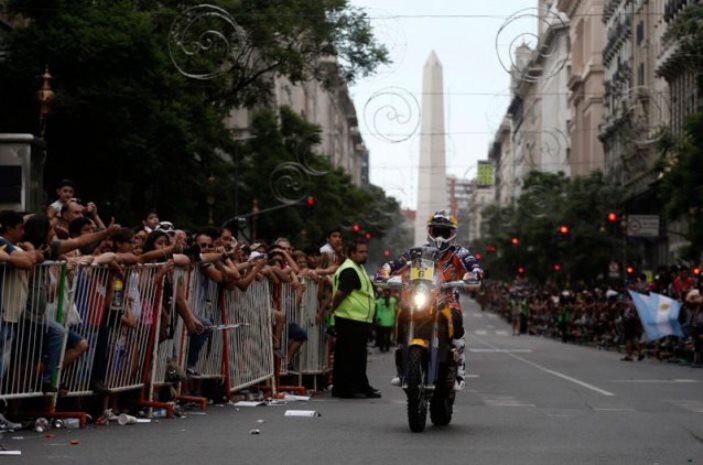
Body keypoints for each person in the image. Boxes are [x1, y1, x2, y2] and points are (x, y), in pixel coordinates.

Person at [376, 210, 482, 390]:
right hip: (421, 296)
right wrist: (384, 272)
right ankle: (401, 366)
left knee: (456, 321)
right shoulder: (418, 252)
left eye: (444, 232)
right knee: (402, 315)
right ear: (429, 231)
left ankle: (459, 371)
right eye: (436, 231)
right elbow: (396, 263)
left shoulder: (460, 252)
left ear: (452, 233)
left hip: (447, 297)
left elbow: (474, 266)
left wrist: (474, 274)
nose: (440, 236)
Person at [324, 239, 381, 399]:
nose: (365, 255)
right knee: (349, 356)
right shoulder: (350, 270)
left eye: (366, 252)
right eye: (361, 252)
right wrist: (333, 310)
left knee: (355, 355)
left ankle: (358, 386)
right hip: (350, 319)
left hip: (358, 319)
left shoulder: (357, 268)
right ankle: (347, 388)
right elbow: (341, 294)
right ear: (351, 253)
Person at [374, 288, 397, 352]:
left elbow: (378, 311)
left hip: (381, 321)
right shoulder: (393, 300)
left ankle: (381, 347)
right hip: (390, 321)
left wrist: (377, 318)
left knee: (381, 335)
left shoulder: (379, 301)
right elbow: (395, 310)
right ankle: (387, 347)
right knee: (388, 335)